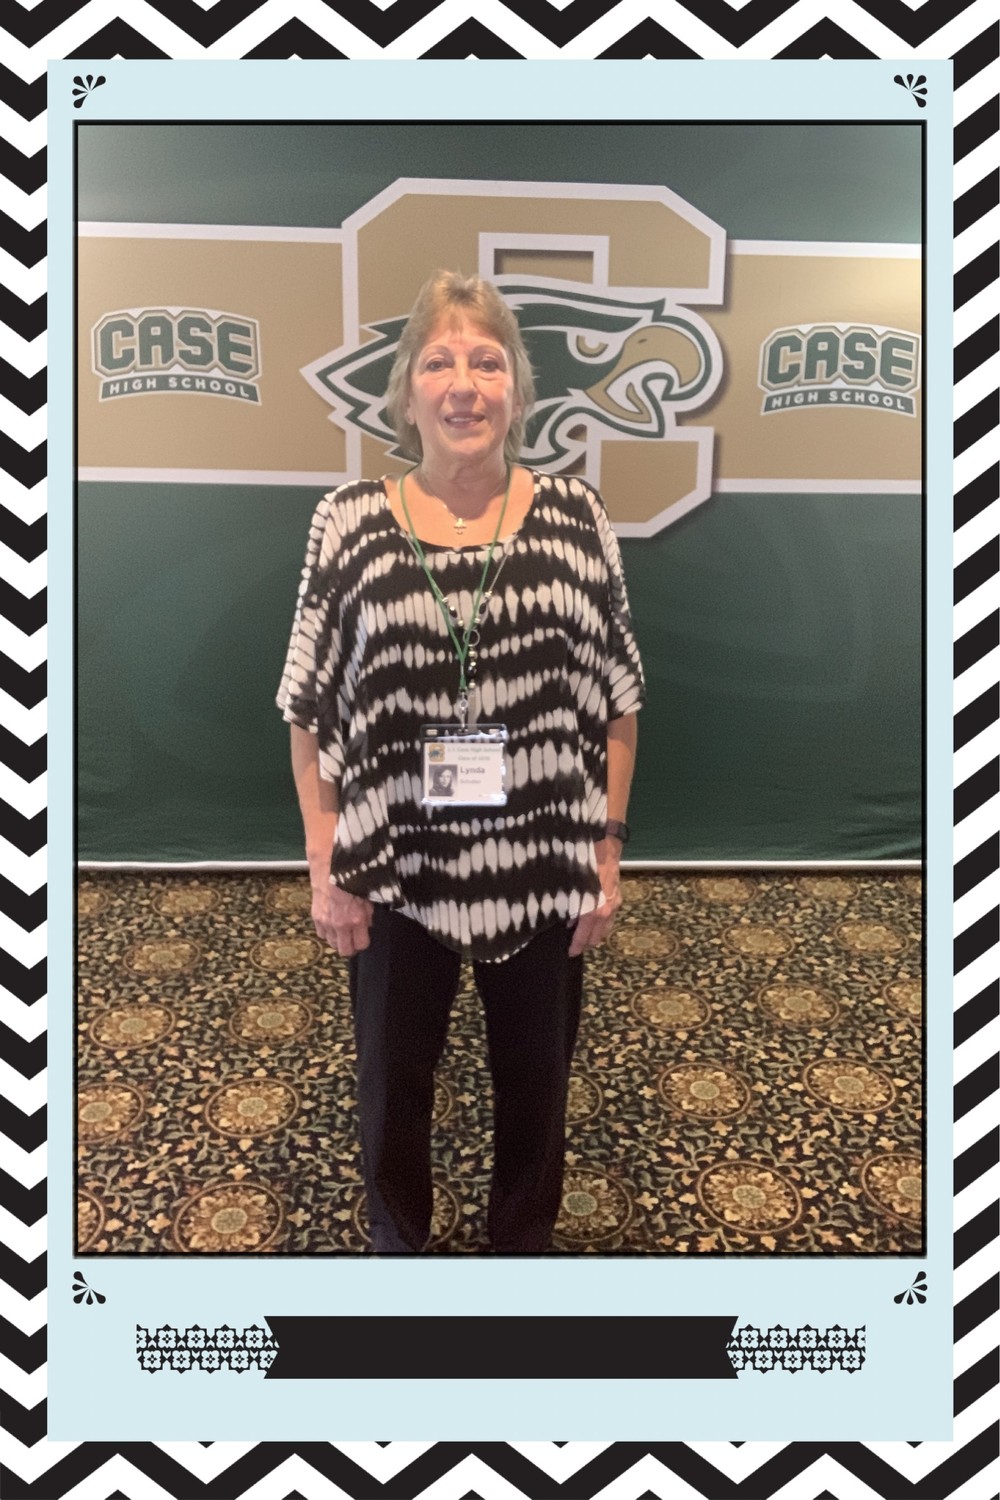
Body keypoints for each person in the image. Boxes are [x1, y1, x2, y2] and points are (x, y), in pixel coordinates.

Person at [277, 270, 644, 1254]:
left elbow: (618, 700)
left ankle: (519, 1249)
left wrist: (607, 853)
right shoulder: (347, 521)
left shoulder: (577, 517)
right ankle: (399, 1246)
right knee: (390, 1086)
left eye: (487, 362)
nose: (465, 385)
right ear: (406, 395)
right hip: (393, 864)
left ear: (518, 391)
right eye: (439, 362)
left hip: (545, 862)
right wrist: (324, 862)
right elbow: (306, 707)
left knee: (538, 1086)